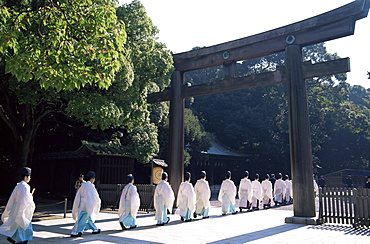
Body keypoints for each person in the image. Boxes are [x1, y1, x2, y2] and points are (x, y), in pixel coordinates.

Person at [0, 167, 35, 244]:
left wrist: (9, 209)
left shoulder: (18, 185)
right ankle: (18, 241)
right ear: (25, 177)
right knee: (24, 227)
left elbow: (12, 198)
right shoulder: (25, 186)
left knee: (16, 227)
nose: (30, 178)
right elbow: (24, 201)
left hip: (16, 208)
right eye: (29, 176)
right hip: (22, 208)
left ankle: (13, 239)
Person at [71, 171, 101, 237]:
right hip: (88, 204)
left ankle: (94, 229)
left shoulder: (83, 186)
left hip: (82, 203)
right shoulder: (91, 186)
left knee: (87, 217)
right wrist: (97, 203)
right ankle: (79, 231)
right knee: (84, 217)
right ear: (92, 179)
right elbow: (95, 197)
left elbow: (78, 196)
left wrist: (77, 204)